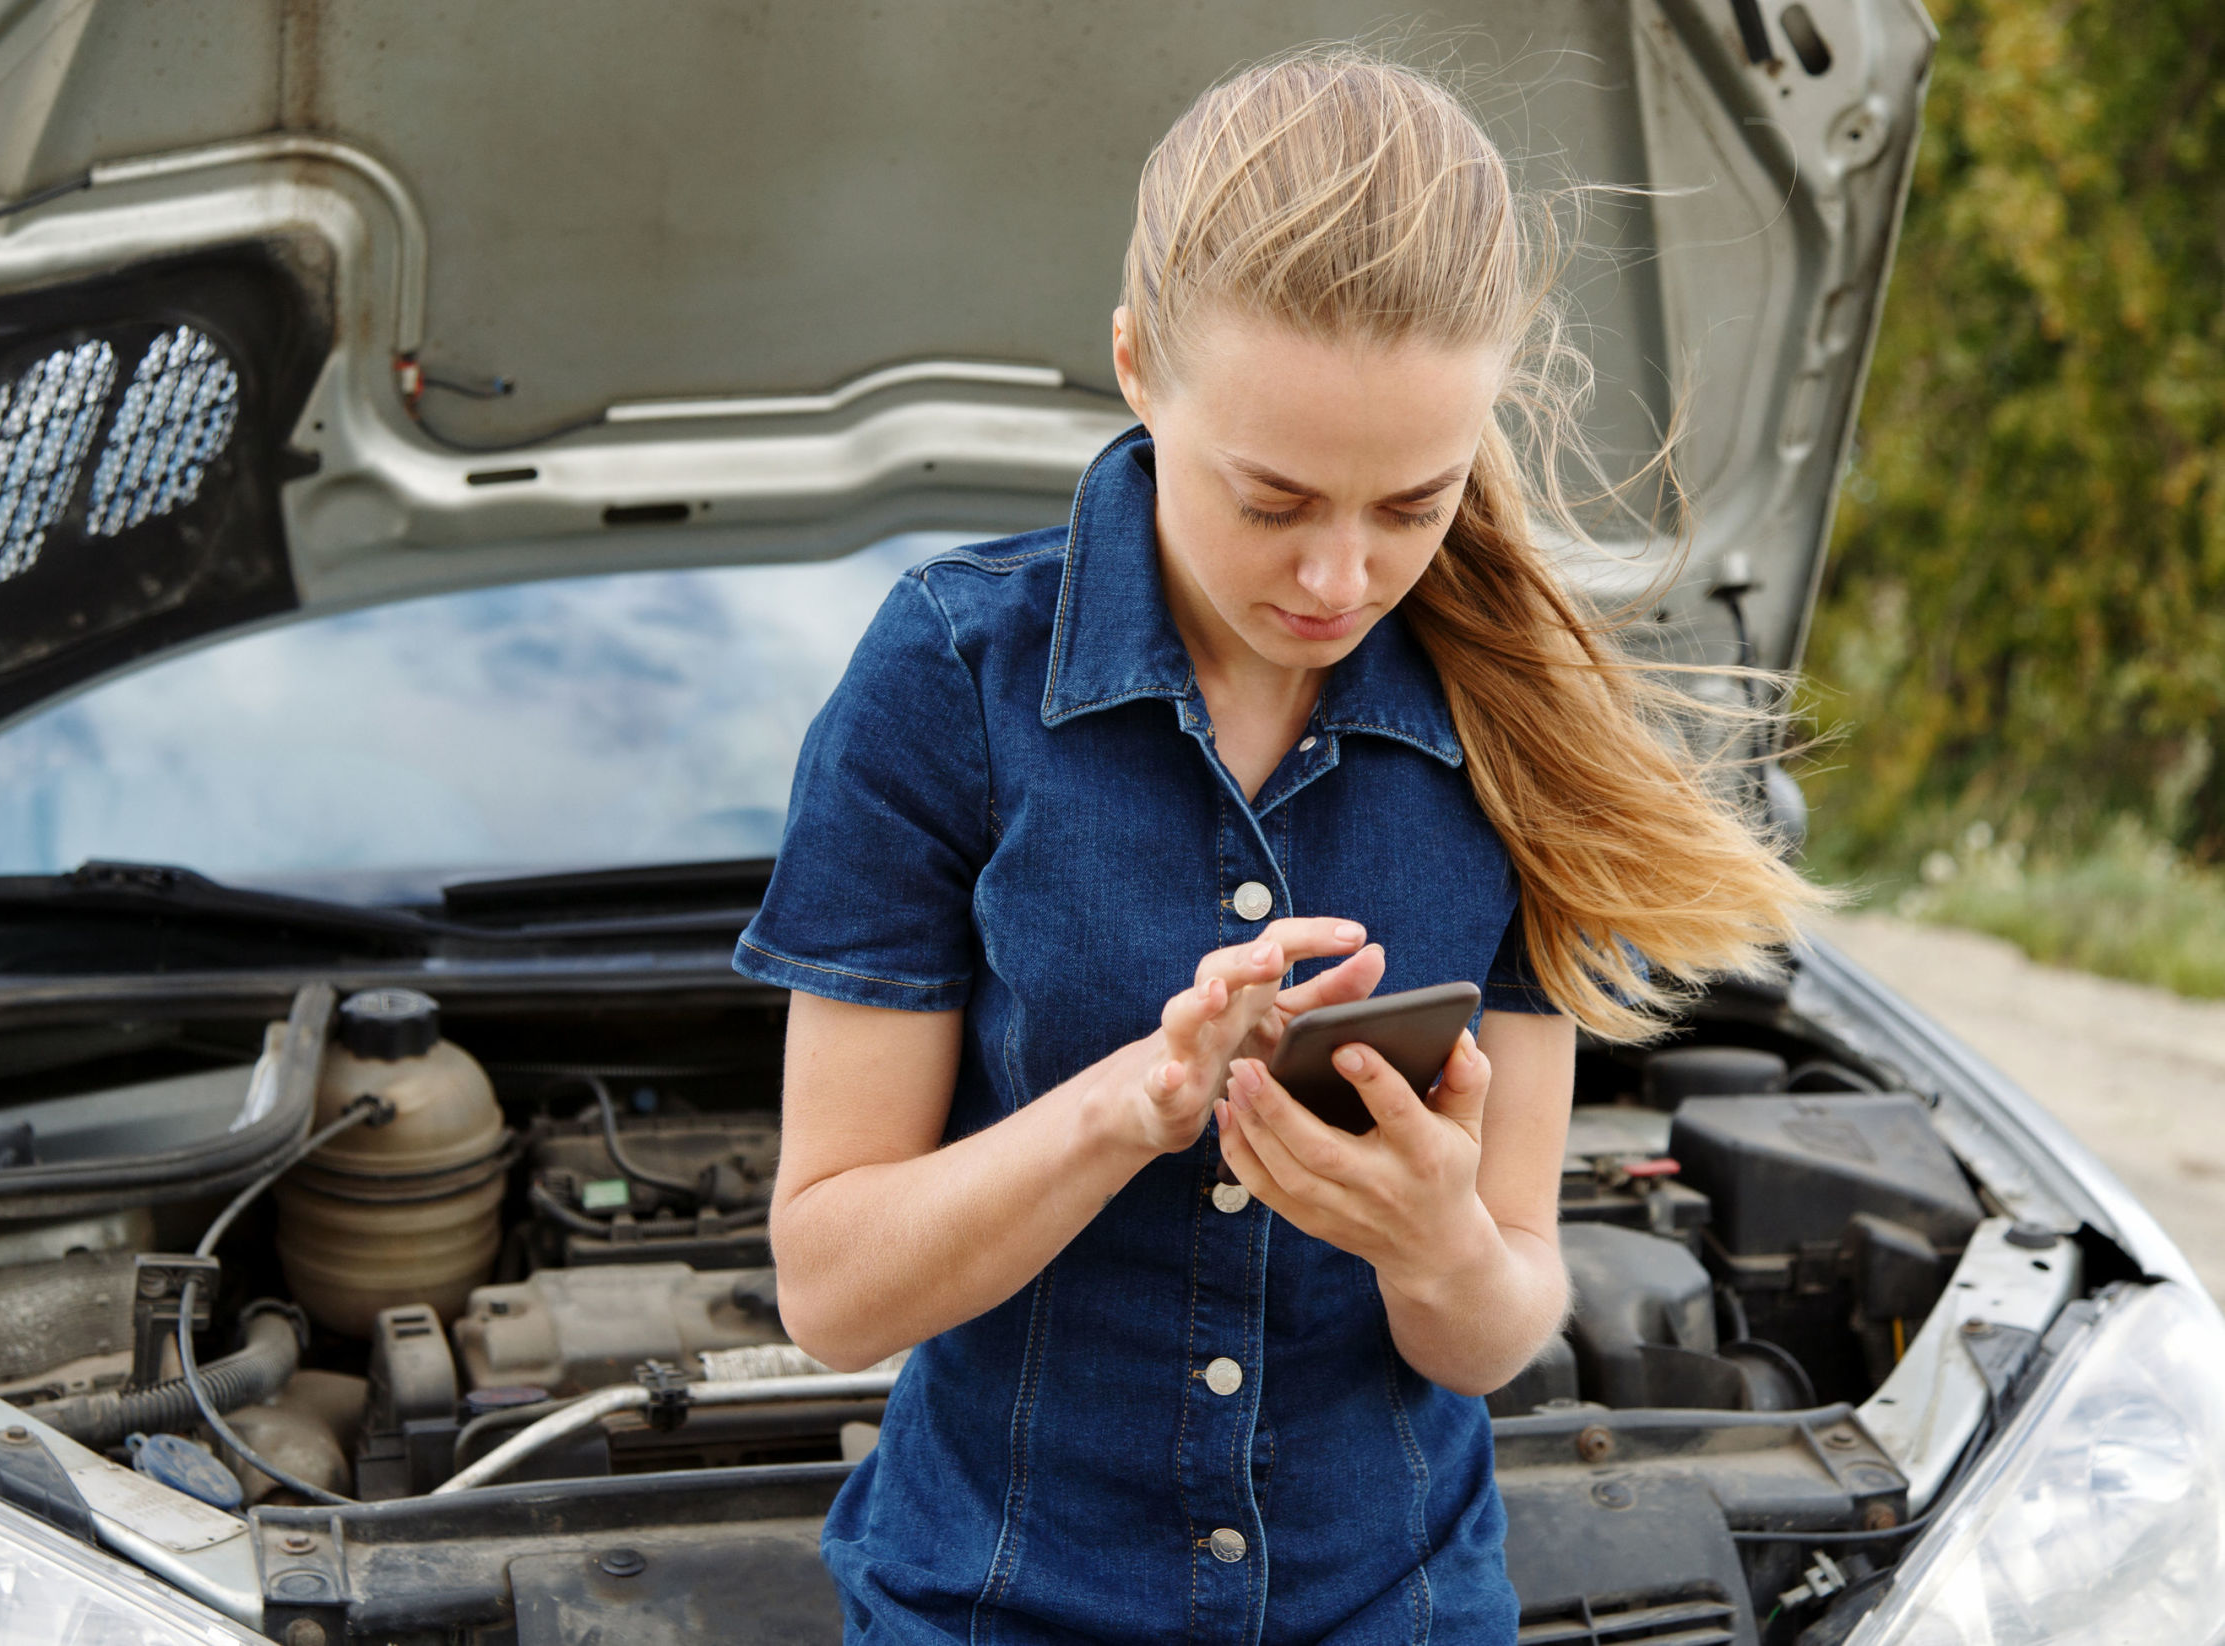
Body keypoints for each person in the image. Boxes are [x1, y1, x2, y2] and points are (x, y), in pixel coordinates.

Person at [733, 45, 1820, 1645]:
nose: (1336, 572)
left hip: (1394, 1605)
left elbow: (1494, 1321)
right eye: (1270, 496)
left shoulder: (1521, 721)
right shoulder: (948, 678)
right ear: (1131, 366)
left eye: (1410, 503)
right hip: (995, 1608)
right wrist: (1132, 1105)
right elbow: (831, 1291)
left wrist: (1433, 1235)